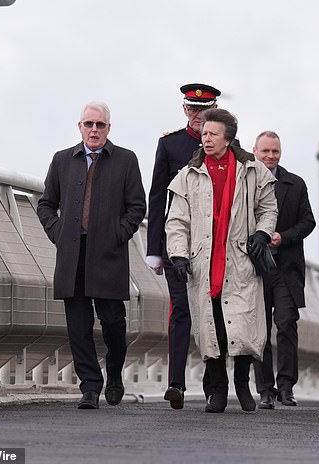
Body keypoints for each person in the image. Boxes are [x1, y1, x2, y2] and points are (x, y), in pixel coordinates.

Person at [165, 108, 278, 413]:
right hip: (203, 262)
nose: (206, 138)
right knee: (210, 325)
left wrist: (262, 234)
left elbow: (268, 209)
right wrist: (177, 253)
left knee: (241, 326)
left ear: (228, 138)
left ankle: (242, 385)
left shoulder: (252, 169)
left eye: (213, 133)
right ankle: (217, 388)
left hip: (240, 260)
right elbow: (176, 221)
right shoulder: (188, 174)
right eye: (204, 134)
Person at [37, 102, 146, 409]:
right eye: (89, 124)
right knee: (78, 324)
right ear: (80, 127)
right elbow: (46, 204)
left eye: (100, 125)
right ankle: (89, 386)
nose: (94, 130)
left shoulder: (125, 160)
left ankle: (113, 373)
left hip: (109, 254)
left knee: (113, 321)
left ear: (109, 129)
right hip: (73, 254)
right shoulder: (62, 160)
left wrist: (117, 234)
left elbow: (137, 206)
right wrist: (58, 233)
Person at [146, 83, 221, 409]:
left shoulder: (227, 148)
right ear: (184, 110)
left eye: (204, 111)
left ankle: (211, 386)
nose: (198, 116)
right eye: (193, 110)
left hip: (213, 244)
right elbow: (157, 195)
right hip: (177, 243)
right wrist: (154, 248)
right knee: (180, 313)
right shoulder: (170, 144)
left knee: (211, 313)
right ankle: (176, 383)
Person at [250, 131, 316, 409]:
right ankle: (265, 389)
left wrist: (284, 236)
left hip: (285, 267)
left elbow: (308, 222)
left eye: (275, 151)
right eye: (265, 151)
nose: (270, 156)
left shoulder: (295, 183)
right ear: (255, 152)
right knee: (259, 330)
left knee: (287, 324)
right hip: (254, 268)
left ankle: (286, 386)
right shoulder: (245, 182)